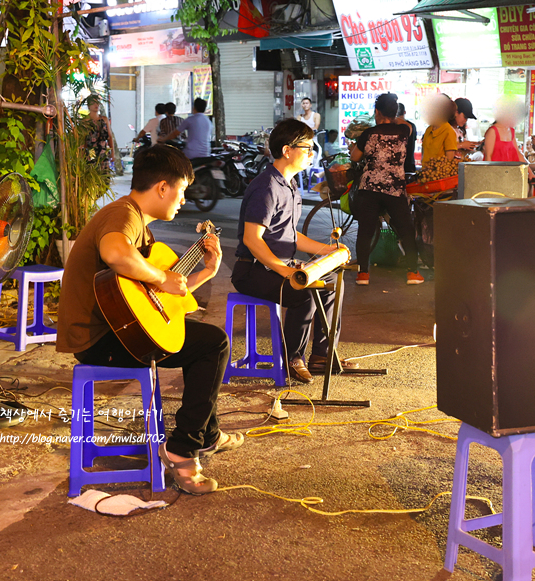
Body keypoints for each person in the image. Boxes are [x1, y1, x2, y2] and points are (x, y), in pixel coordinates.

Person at [56, 145, 240, 495]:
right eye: (182, 191)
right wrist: (161, 278)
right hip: (100, 341)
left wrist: (204, 273)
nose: (183, 200)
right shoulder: (123, 215)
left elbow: (157, 302)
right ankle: (183, 449)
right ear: (162, 188)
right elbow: (115, 254)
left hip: (120, 328)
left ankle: (207, 435)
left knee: (202, 340)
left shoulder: (138, 224)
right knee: (212, 344)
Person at [232, 119, 355, 383]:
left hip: (277, 265)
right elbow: (252, 240)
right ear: (287, 150)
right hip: (252, 270)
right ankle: (292, 358)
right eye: (307, 148)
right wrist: (285, 270)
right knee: (305, 292)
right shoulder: (266, 187)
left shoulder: (289, 184)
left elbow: (291, 236)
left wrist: (328, 250)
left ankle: (322, 354)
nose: (312, 153)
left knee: (333, 282)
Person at [349, 93, 425, 286]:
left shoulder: (369, 133)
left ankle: (363, 275)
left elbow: (355, 157)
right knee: (406, 229)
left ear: (376, 111)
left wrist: (355, 147)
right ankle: (413, 273)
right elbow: (406, 124)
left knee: (365, 231)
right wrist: (391, 115)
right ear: (395, 111)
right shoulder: (403, 131)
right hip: (395, 189)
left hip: (370, 189)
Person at [483, 96, 535, 183]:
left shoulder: (511, 131)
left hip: (510, 176)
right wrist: (489, 178)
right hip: (495, 178)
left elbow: (518, 154)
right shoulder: (492, 131)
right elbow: (488, 158)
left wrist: (530, 173)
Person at [84, 95, 119, 173]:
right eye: (93, 103)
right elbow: (83, 139)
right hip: (91, 153)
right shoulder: (85, 121)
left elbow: (109, 137)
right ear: (89, 106)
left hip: (103, 153)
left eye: (97, 103)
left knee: (104, 176)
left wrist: (112, 152)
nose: (96, 105)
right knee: (93, 175)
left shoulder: (104, 119)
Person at [420, 94, 458, 166]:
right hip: (425, 174)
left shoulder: (449, 132)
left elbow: (448, 161)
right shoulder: (428, 130)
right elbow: (424, 154)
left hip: (440, 176)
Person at [396, 102, 418, 174]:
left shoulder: (393, 127)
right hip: (410, 163)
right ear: (404, 112)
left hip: (398, 165)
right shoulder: (412, 126)